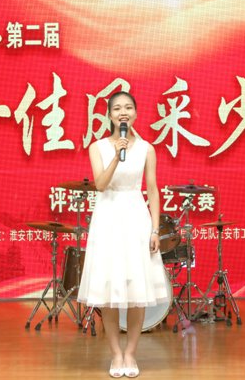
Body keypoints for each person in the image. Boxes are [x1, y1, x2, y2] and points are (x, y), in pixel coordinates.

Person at [78, 91, 169, 378]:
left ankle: (131, 353)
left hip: (136, 217)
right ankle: (115, 354)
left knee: (136, 291)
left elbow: (152, 190)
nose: (123, 112)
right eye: (117, 108)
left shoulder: (147, 149)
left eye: (128, 107)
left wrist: (155, 229)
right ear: (109, 115)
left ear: (136, 113)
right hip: (107, 218)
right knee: (109, 292)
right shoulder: (97, 147)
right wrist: (117, 157)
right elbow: (100, 184)